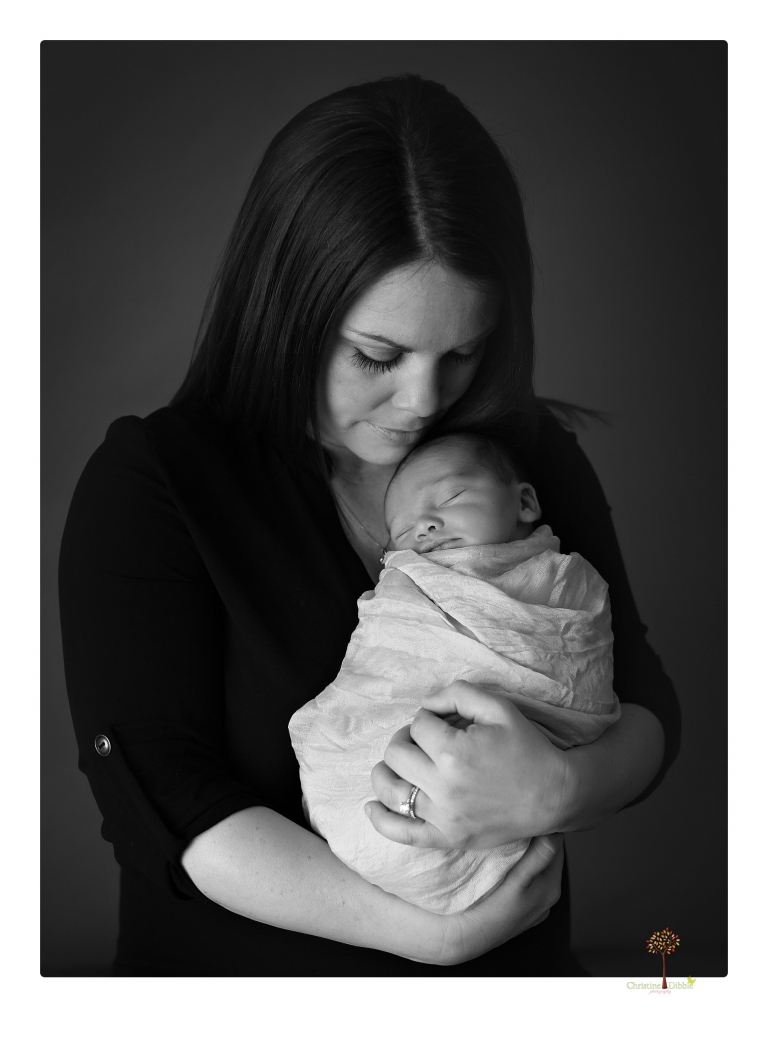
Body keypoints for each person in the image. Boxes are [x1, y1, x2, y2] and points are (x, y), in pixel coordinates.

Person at [58, 74, 680, 976]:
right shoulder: (155, 485)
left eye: (462, 352)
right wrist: (432, 938)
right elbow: (159, 788)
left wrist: (561, 787)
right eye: (377, 356)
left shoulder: (520, 462)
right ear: (287, 311)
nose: (425, 402)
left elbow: (646, 696)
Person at [290, 432, 621, 915]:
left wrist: (555, 788)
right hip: (356, 822)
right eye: (402, 532)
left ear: (525, 502)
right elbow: (383, 662)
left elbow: (587, 673)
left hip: (506, 840)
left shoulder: (564, 582)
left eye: (450, 497)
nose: (424, 527)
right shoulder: (411, 586)